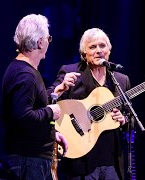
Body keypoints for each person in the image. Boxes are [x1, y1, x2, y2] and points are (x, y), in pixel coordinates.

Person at [47, 27, 131, 180]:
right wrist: (60, 88)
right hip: (80, 162)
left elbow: (130, 118)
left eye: (102, 46)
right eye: (92, 47)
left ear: (109, 51)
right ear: (84, 54)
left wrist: (123, 119)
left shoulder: (120, 80)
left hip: (111, 162)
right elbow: (46, 99)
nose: (98, 50)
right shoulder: (70, 72)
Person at [1, 13, 68, 180]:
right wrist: (51, 112)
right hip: (29, 161)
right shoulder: (25, 74)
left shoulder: (24, 70)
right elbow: (23, 117)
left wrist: (52, 134)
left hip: (31, 159)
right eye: (48, 38)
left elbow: (31, 107)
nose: (48, 42)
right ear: (39, 42)